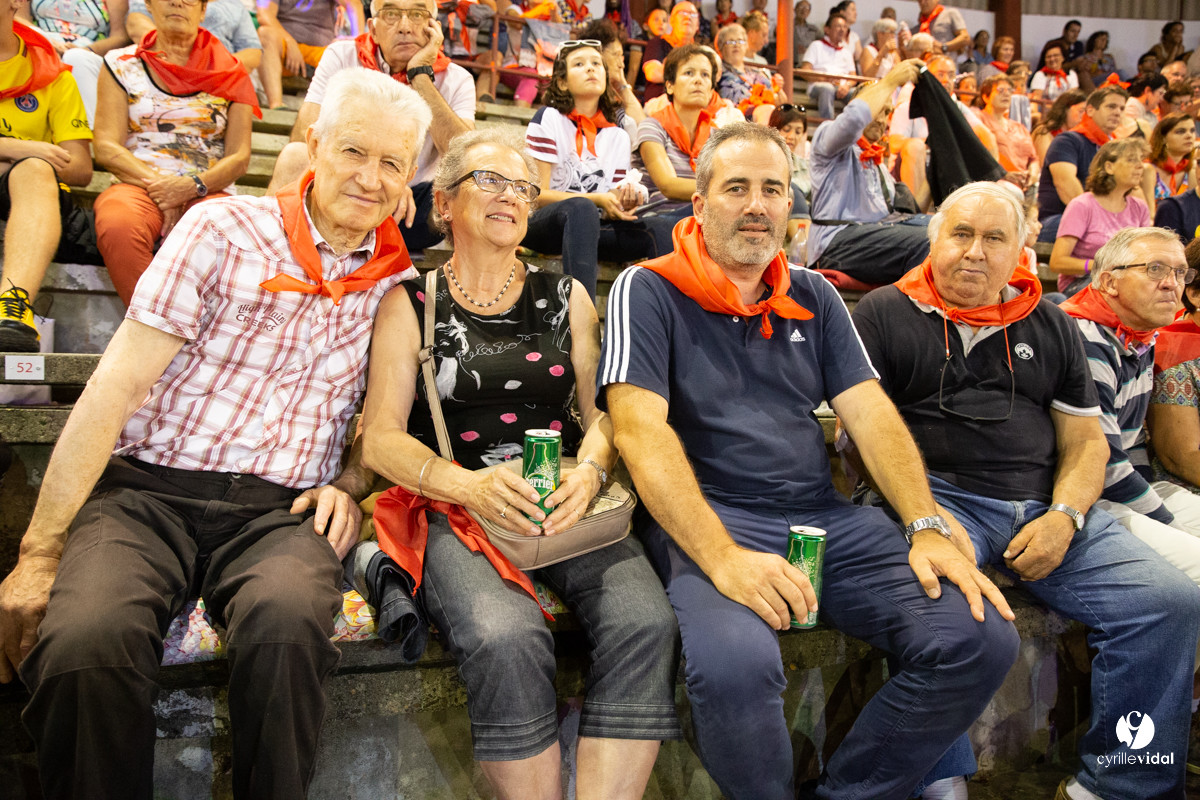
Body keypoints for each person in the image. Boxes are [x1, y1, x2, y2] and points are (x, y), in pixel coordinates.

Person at [0, 68, 430, 799]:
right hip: (146, 493)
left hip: (280, 512)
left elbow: (382, 429)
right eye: (355, 151)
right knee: (84, 642)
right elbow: (115, 388)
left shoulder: (391, 287)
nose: (370, 176)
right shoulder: (221, 228)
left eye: (393, 163)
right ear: (313, 143)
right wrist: (39, 549)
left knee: (289, 629)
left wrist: (351, 485)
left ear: (410, 180)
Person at [599, 119, 1018, 800]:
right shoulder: (647, 289)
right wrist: (724, 556)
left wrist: (925, 524)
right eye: (737, 188)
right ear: (699, 205)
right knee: (736, 666)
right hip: (710, 518)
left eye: (773, 189)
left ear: (791, 210)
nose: (758, 204)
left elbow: (871, 415)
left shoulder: (816, 294)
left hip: (822, 519)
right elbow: (639, 432)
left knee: (979, 635)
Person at [354, 125, 680, 800]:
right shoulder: (409, 301)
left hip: (565, 500)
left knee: (645, 622)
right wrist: (467, 485)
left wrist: (589, 472)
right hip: (459, 506)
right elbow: (381, 439)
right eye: (490, 181)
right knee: (507, 634)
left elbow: (602, 418)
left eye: (523, 187)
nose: (509, 196)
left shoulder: (568, 298)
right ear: (444, 203)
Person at [851, 181, 1200, 800]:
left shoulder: (1051, 322)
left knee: (1168, 601)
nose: (975, 252)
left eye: (994, 238)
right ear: (933, 241)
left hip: (1046, 505)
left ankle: (1118, 787)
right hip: (937, 497)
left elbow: (1089, 443)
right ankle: (940, 776)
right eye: (960, 234)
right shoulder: (882, 311)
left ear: (1021, 252)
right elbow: (861, 438)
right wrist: (923, 518)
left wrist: (1065, 515)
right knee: (948, 613)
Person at [266, 0, 474, 254]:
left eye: (418, 14)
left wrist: (419, 74)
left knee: (463, 187)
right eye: (391, 14)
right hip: (341, 185)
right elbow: (306, 136)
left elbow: (466, 159)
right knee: (294, 155)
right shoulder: (343, 55)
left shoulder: (457, 79)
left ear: (435, 28)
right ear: (372, 28)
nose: (405, 26)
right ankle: (269, 247)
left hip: (408, 209)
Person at [1060, 227, 1200, 592]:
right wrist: (1168, 522)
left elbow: (1131, 442)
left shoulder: (1140, 336)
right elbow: (1104, 465)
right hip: (1077, 499)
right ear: (1109, 282)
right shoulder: (1086, 337)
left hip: (1124, 487)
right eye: (1156, 269)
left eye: (1181, 272)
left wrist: (1159, 505)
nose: (1173, 284)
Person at [92, 0, 257, 306]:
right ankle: (154, 324)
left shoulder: (232, 73)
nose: (178, 2)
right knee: (118, 223)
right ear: (149, 5)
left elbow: (239, 157)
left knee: (225, 233)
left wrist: (190, 186)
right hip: (140, 183)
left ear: (203, 10)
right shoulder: (120, 62)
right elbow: (105, 146)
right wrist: (164, 189)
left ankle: (195, 338)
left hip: (208, 188)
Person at [523, 40, 675, 298]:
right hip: (546, 226)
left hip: (590, 230)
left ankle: (669, 321)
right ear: (562, 82)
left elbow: (611, 202)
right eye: (579, 64)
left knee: (660, 227)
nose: (591, 69)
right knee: (581, 209)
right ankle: (585, 319)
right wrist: (597, 200)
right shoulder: (548, 118)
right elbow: (535, 196)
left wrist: (623, 202)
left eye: (596, 64)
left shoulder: (618, 135)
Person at [0, 9, 93, 353]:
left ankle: (14, 307)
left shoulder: (52, 75)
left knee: (36, 168)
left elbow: (82, 168)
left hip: (26, 189)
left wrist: (28, 158)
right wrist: (12, 147)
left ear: (16, 3)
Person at [809, 60, 934, 285]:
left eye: (887, 112)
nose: (881, 119)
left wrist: (936, 169)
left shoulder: (880, 166)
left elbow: (911, 213)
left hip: (874, 235)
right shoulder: (828, 139)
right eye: (877, 109)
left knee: (944, 229)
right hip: (835, 243)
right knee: (928, 239)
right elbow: (854, 119)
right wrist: (891, 81)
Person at [1049, 137, 1151, 297]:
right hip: (1084, 283)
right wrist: (1100, 266)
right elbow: (1057, 262)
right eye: (1131, 160)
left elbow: (1147, 255)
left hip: (1125, 284)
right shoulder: (1082, 205)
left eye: (1141, 160)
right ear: (1109, 167)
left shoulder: (1140, 207)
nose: (1140, 166)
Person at [632, 44, 717, 226]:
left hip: (701, 215)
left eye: (705, 75)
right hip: (658, 217)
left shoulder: (717, 137)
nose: (698, 80)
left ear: (711, 92)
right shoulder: (652, 126)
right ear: (670, 86)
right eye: (689, 73)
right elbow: (668, 186)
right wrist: (728, 190)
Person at [1036, 85, 1127, 241]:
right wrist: (1101, 219)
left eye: (1121, 108)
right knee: (1112, 234)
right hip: (1057, 219)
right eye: (1111, 106)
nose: (1117, 112)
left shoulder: (1115, 147)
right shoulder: (1067, 140)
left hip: (1100, 220)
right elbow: (1065, 185)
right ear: (1090, 110)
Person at [18, 0, 129, 125]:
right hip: (41, 44)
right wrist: (46, 42)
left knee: (76, 58)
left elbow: (120, 36)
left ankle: (89, 132)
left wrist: (86, 50)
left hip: (91, 53)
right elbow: (17, 17)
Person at [256, 0, 366, 110]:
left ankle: (345, 115)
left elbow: (354, 4)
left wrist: (357, 38)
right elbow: (264, 15)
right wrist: (290, 41)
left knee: (354, 49)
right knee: (265, 34)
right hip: (284, 46)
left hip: (321, 51)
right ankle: (276, 105)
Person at [125, 0, 261, 72]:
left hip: (219, 76)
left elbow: (253, 52)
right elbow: (136, 23)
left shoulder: (234, 5)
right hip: (162, 68)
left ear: (203, 10)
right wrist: (178, 57)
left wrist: (214, 65)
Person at [977, 75, 1037, 182]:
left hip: (1025, 183)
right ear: (985, 97)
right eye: (1000, 90)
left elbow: (1034, 159)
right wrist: (1003, 174)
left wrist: (1033, 174)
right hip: (994, 181)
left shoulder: (1019, 127)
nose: (1006, 94)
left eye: (1010, 90)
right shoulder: (978, 121)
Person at [798, 11, 856, 121]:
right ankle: (827, 126)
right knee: (827, 88)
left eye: (844, 27)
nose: (842, 30)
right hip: (820, 85)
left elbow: (853, 76)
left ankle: (853, 128)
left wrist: (847, 86)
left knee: (858, 93)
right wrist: (824, 79)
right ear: (827, 29)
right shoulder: (816, 46)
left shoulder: (847, 52)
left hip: (841, 87)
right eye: (838, 26)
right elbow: (804, 70)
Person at [1141, 112, 1197, 217]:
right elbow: (1149, 216)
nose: (1189, 136)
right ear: (1163, 138)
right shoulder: (1148, 170)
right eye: (1180, 131)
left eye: (1192, 130)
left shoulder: (1191, 172)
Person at [641, 1, 698, 102]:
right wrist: (692, 73)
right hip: (661, 104)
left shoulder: (700, 52)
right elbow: (653, 74)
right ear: (671, 20)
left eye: (693, 14)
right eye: (683, 13)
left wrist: (670, 70)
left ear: (697, 25)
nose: (688, 17)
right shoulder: (658, 43)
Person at [715, 22, 779, 108]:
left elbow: (778, 98)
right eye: (731, 42)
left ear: (746, 45)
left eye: (740, 41)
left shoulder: (756, 71)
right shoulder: (718, 73)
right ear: (720, 47)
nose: (736, 45)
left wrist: (779, 88)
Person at [1031, 87, 1086, 165]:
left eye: (1085, 113)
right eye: (1081, 111)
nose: (1083, 116)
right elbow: (1045, 165)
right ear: (1065, 110)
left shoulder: (1080, 137)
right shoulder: (1044, 132)